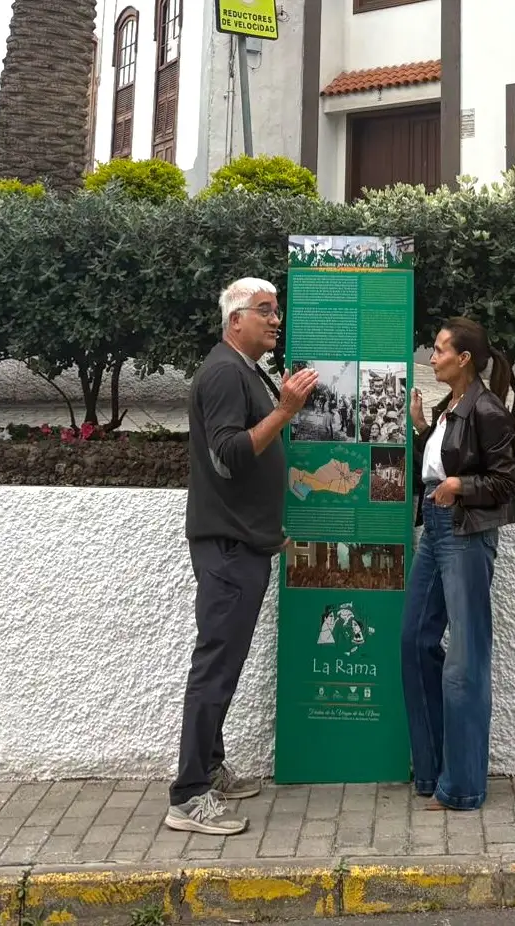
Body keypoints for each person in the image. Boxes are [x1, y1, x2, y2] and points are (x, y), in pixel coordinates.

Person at [165, 278, 318, 836]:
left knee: (222, 665)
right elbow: (229, 454)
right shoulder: (227, 373)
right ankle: (187, 795)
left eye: (277, 310)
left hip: (241, 542)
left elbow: (242, 471)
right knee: (215, 669)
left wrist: (264, 530)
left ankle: (209, 768)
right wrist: (284, 411)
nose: (276, 319)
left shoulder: (241, 369)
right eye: (264, 311)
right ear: (235, 320)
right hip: (227, 550)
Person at [402, 317, 515, 812]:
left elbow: (506, 482)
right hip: (435, 528)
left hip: (465, 533)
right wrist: (420, 431)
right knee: (414, 642)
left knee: (465, 659)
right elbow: (439, 467)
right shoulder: (450, 406)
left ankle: (463, 787)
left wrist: (458, 488)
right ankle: (431, 772)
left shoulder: (488, 409)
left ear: (464, 358)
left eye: (438, 350)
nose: (432, 358)